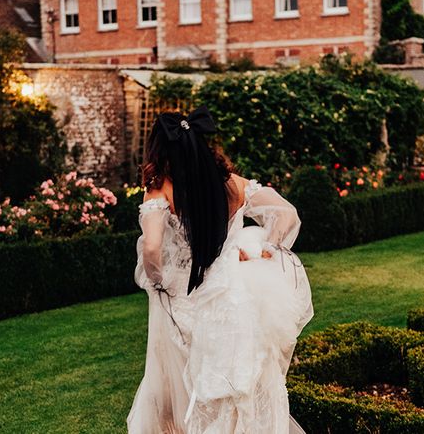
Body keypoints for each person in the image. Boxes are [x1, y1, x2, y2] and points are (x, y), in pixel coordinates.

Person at [126, 105, 313, 434]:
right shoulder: (231, 183)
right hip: (234, 301)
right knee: (239, 386)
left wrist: (157, 279)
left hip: (184, 302)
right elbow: (285, 213)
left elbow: (153, 248)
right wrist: (261, 251)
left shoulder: (160, 187)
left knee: (181, 389)